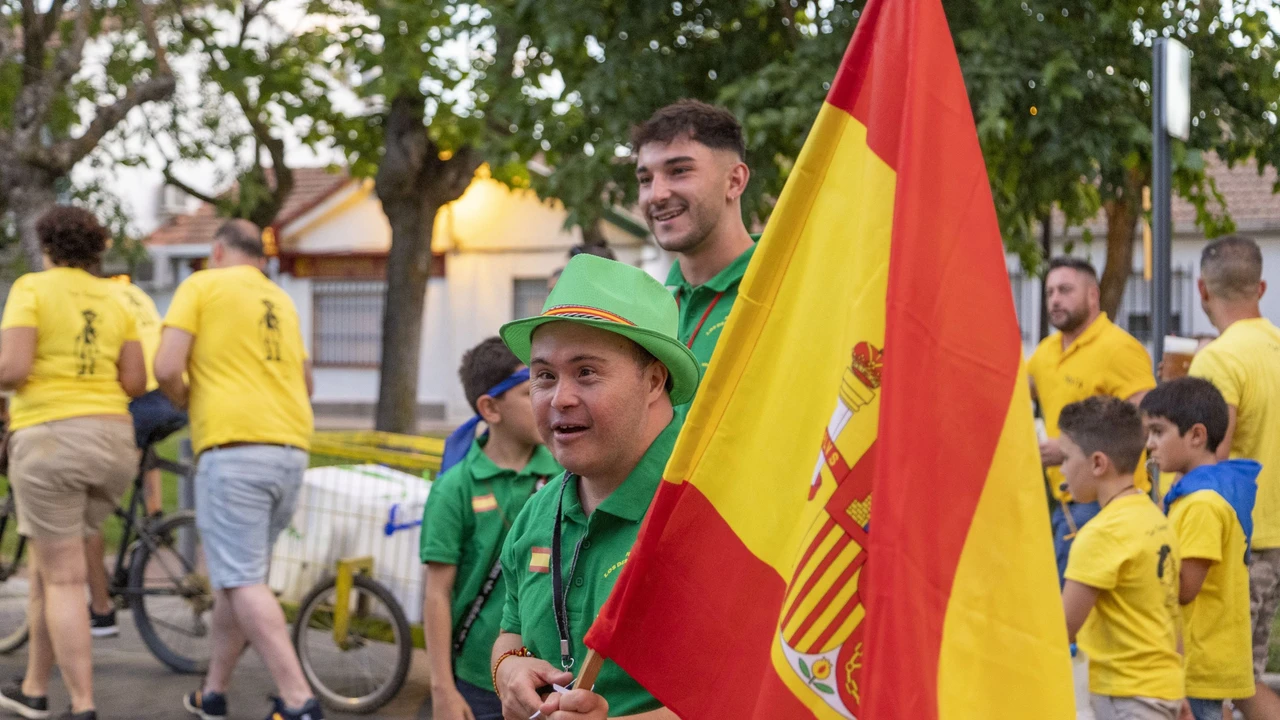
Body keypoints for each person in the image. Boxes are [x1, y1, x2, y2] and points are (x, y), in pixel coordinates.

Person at [490, 254, 698, 720]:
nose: (559, 398)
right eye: (544, 376)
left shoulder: (712, 510)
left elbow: (761, 692)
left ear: (653, 380)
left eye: (586, 371)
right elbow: (512, 634)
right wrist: (508, 671)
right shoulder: (539, 512)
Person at [154, 219, 321, 720]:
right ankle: (214, 692)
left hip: (234, 449)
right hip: (290, 448)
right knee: (238, 577)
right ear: (261, 256)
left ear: (217, 250)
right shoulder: (281, 300)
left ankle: (298, 700)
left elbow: (165, 367)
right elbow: (306, 381)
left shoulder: (201, 284)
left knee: (244, 580)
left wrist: (188, 401)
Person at [0, 206, 147, 720]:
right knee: (49, 571)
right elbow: (134, 381)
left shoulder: (32, 291)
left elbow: (13, 369)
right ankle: (36, 688)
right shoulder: (118, 298)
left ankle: (82, 706)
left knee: (63, 579)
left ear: (46, 247)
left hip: (51, 441)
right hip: (113, 443)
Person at [421, 338, 562, 720]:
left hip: (555, 678)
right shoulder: (455, 488)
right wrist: (443, 689)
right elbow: (437, 594)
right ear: (489, 408)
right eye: (528, 390)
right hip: (479, 683)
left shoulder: (566, 476)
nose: (544, 401)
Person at [1186, 234, 1280, 718]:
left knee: (1221, 684)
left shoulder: (1219, 359)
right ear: (1261, 287)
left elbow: (1211, 457)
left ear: (1202, 290)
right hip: (1275, 535)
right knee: (1246, 679)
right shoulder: (1275, 346)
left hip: (1237, 544)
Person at [1028, 256, 1157, 582]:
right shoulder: (1044, 353)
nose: (1055, 299)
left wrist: (1072, 449)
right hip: (1066, 504)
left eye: (1065, 290)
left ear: (1092, 295)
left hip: (1110, 504)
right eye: (1050, 292)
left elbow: (1145, 424)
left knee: (1085, 621)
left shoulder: (1120, 349)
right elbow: (1007, 399)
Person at [1059, 396, 1184, 720]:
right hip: (1163, 689)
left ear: (1098, 463)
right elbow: (1170, 613)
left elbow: (1063, 629)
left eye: (1066, 458)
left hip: (1124, 697)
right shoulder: (1155, 519)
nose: (1062, 469)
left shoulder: (1101, 534)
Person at [1141, 377, 1259, 720]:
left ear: (1196, 435)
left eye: (1158, 432)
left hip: (1199, 663)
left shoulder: (1202, 504)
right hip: (1200, 657)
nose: (1149, 444)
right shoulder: (1196, 494)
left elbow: (1184, 588)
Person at [83, 274, 189, 638]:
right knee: (145, 449)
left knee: (87, 504)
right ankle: (154, 519)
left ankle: (101, 610)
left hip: (141, 397)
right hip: (173, 398)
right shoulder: (135, 293)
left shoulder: (94, 299)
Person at [633, 99, 757, 377]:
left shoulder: (782, 291)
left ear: (735, 181)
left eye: (679, 171)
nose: (656, 194)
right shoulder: (644, 316)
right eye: (645, 179)